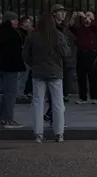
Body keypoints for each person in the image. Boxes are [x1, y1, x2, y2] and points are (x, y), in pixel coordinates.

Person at [24, 12, 72, 142]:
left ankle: (38, 134)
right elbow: (66, 53)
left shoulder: (33, 37)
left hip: (38, 72)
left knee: (37, 103)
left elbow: (26, 56)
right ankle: (59, 133)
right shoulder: (58, 35)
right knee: (58, 104)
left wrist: (34, 65)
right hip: (55, 71)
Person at [0, 11, 24, 128]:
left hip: (0, 67)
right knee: (11, 93)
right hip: (10, 68)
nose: (16, 21)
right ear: (9, 20)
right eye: (14, 19)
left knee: (7, 93)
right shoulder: (11, 34)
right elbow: (14, 52)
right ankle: (8, 119)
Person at [70, 11, 97, 105]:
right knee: (81, 76)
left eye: (89, 16)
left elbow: (96, 27)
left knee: (93, 76)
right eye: (86, 16)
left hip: (92, 54)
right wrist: (73, 17)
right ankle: (83, 97)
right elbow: (70, 26)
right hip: (81, 54)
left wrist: (85, 17)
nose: (87, 17)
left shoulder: (94, 28)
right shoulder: (80, 28)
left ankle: (94, 97)